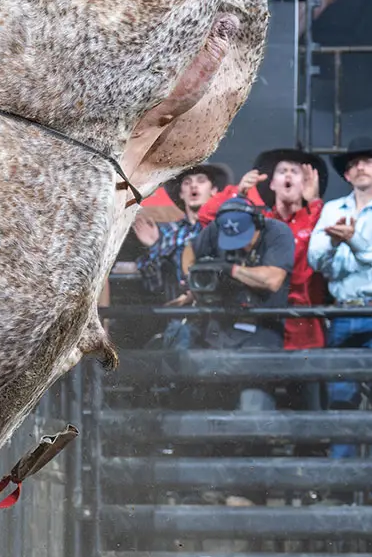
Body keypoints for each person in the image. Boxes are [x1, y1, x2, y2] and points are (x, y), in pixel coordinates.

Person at [308, 137, 372, 465]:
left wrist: (353, 240)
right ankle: (341, 475)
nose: (359, 167)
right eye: (352, 164)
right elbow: (315, 258)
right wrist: (335, 244)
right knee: (341, 396)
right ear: (347, 175)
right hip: (343, 312)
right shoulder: (333, 209)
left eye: (367, 161)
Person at [201, 148, 328, 351]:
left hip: (303, 324)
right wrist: (239, 192)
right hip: (263, 322)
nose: (288, 175)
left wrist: (314, 202)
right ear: (272, 183)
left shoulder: (317, 218)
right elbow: (207, 217)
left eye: (295, 172)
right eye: (282, 171)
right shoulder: (260, 222)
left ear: (306, 183)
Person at [178, 198, 294, 410]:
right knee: (209, 406)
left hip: (261, 330)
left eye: (244, 238)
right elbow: (190, 251)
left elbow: (272, 280)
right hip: (221, 329)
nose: (239, 245)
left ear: (257, 223)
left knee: (253, 406)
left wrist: (230, 269)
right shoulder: (217, 228)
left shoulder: (277, 232)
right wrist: (192, 279)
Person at [122, 163, 230, 308]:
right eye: (187, 182)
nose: (193, 186)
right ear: (181, 193)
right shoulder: (168, 232)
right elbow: (154, 286)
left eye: (201, 180)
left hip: (217, 311)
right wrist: (154, 246)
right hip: (179, 314)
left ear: (214, 190)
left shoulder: (224, 227)